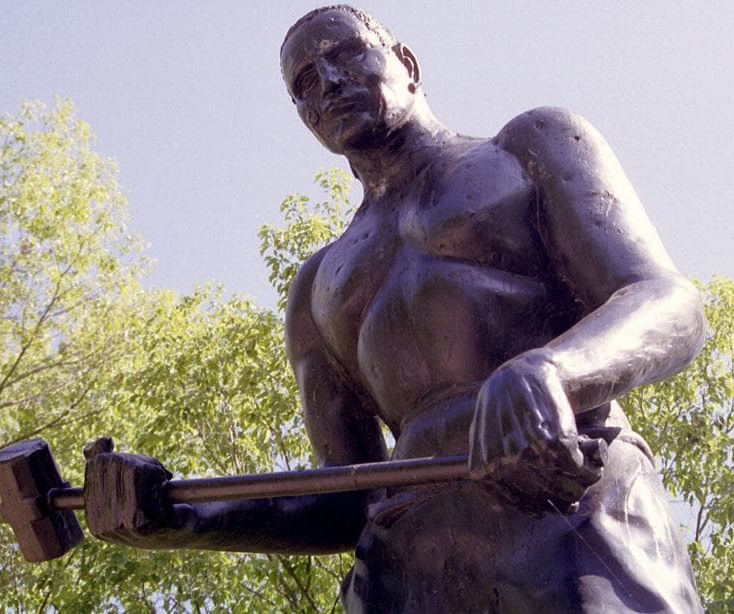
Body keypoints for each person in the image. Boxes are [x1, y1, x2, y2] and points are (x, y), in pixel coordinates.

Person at [84, 6, 706, 612]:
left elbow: (668, 304)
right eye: (304, 84)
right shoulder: (316, 288)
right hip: (407, 566)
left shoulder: (530, 146)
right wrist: (180, 516)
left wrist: (549, 371)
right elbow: (346, 496)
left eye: (346, 54)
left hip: (565, 505)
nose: (327, 83)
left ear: (406, 62)